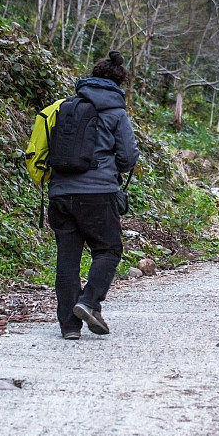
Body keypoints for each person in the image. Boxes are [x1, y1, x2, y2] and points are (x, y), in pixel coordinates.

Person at [48, 51, 139, 339]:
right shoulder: (116, 112)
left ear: (91, 77)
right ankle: (88, 302)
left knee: (67, 258)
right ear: (119, 83)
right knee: (108, 250)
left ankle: (69, 326)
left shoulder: (67, 106)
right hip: (98, 194)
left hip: (60, 192)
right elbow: (127, 156)